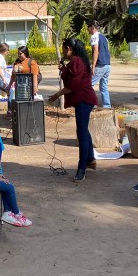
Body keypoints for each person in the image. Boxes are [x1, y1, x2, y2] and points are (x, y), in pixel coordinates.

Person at [48, 37, 98, 183]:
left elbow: (73, 85)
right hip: (82, 100)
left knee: (81, 133)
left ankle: (82, 168)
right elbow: (71, 76)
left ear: (69, 48)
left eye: (64, 48)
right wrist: (63, 68)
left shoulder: (76, 61)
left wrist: (57, 95)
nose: (63, 51)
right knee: (83, 130)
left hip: (84, 100)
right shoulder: (76, 61)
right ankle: (90, 159)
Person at [88, 21, 112, 108]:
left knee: (88, 85)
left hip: (100, 65)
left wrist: (93, 66)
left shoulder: (94, 37)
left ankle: (92, 104)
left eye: (89, 27)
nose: (88, 29)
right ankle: (107, 106)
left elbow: (95, 51)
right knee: (104, 87)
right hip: (107, 65)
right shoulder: (104, 37)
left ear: (93, 27)